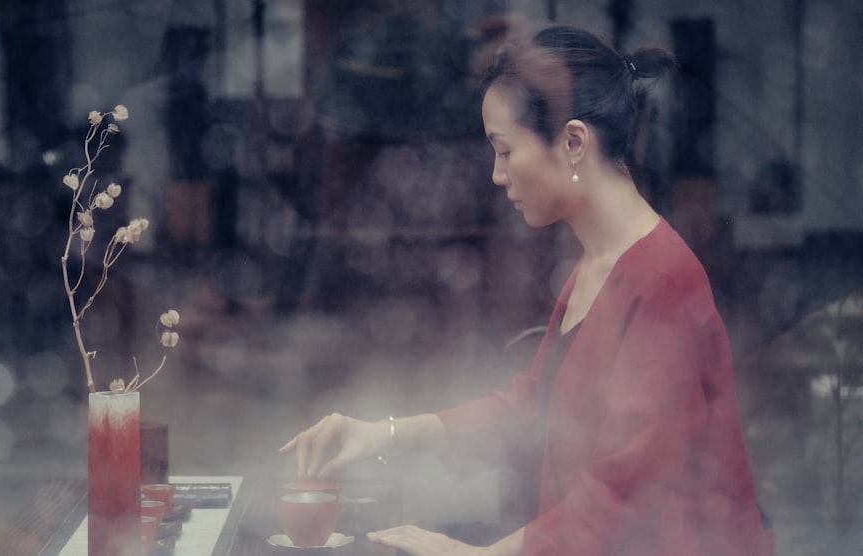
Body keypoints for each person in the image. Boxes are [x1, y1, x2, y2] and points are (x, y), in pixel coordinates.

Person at [280, 23, 774, 556]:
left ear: (574, 141)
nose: (496, 174)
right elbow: (535, 413)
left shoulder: (662, 281)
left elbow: (625, 494)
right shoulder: (596, 263)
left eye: (505, 150)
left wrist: (478, 555)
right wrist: (385, 433)